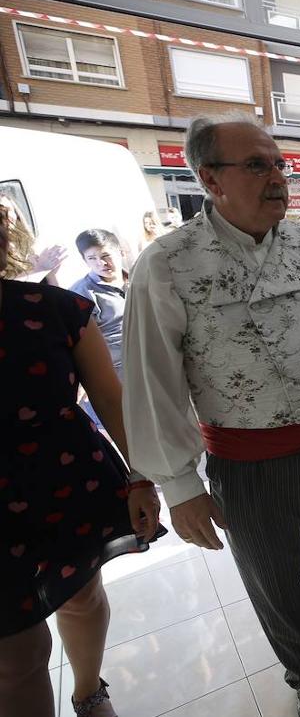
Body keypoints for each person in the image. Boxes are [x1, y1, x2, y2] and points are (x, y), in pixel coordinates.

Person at [123, 114, 300, 717]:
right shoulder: (168, 264)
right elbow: (152, 382)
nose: (277, 176)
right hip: (246, 458)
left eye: (279, 163)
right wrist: (178, 484)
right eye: (257, 165)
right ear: (209, 179)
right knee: (274, 580)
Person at [0, 212, 162, 717]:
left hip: (63, 480)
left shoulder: (56, 307)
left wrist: (141, 477)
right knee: (18, 650)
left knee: (81, 597)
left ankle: (88, 691)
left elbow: (111, 400)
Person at [69, 230, 128, 428]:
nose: (101, 263)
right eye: (91, 258)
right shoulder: (82, 294)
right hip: (115, 380)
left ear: (120, 252)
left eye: (105, 256)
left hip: (152, 371)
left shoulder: (139, 280)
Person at [0, 197, 69, 285]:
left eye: (9, 210)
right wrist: (40, 269)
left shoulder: (29, 244)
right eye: (1, 211)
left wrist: (50, 273)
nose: (6, 216)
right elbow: (7, 292)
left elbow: (56, 293)